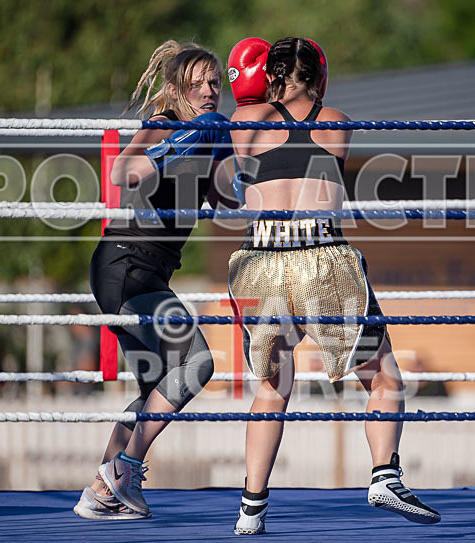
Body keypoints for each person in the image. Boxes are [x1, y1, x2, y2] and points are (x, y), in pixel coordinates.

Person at [227, 37, 441, 535]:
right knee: (384, 378)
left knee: (271, 387)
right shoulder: (336, 121)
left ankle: (250, 510)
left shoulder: (247, 125)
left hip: (259, 261)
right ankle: (385, 474)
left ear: (269, 76)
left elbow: (244, 151)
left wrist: (256, 91)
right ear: (320, 77)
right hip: (323, 259)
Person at [74, 39, 237, 521]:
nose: (211, 90)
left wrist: (231, 151)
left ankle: (100, 490)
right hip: (126, 265)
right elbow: (123, 172)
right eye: (199, 83)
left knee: (155, 390)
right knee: (197, 363)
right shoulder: (162, 125)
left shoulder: (210, 132)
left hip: (147, 272)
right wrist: (184, 141)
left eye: (215, 81)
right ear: (175, 90)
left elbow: (229, 201)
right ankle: (121, 469)